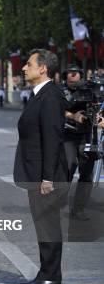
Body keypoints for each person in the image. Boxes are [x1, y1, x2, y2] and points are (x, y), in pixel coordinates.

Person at [13, 49, 68, 284]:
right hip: (38, 172)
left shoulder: (50, 96)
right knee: (44, 225)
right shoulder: (41, 94)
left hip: (45, 176)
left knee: (48, 226)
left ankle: (51, 277)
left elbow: (52, 139)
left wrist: (47, 177)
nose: (24, 68)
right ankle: (47, 273)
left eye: (28, 64)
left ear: (43, 68)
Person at [60, 64, 96, 221]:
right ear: (65, 76)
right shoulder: (60, 91)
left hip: (87, 135)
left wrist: (99, 117)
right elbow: (55, 109)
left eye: (76, 73)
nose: (73, 75)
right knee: (68, 166)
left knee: (86, 173)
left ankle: (79, 209)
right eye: (70, 73)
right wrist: (72, 116)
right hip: (68, 135)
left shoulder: (90, 91)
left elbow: (99, 108)